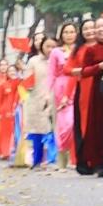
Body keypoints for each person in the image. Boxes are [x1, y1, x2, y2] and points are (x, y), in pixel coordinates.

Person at [71, 19, 103, 176]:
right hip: (100, 93)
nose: (101, 30)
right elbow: (84, 71)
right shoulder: (92, 50)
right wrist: (99, 66)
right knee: (100, 127)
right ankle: (101, 163)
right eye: (98, 27)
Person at [50, 20, 79, 171]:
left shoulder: (79, 49)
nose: (69, 35)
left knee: (76, 123)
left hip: (77, 86)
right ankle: (62, 159)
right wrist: (49, 94)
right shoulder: (56, 52)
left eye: (72, 32)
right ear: (61, 34)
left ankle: (75, 158)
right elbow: (52, 74)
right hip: (61, 89)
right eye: (66, 32)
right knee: (64, 125)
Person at [25, 38, 58, 169]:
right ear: (41, 47)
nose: (50, 49)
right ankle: (37, 160)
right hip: (37, 98)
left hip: (55, 97)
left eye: (53, 47)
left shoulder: (59, 60)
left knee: (53, 130)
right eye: (47, 46)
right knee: (37, 131)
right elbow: (27, 81)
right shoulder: (33, 61)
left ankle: (53, 160)